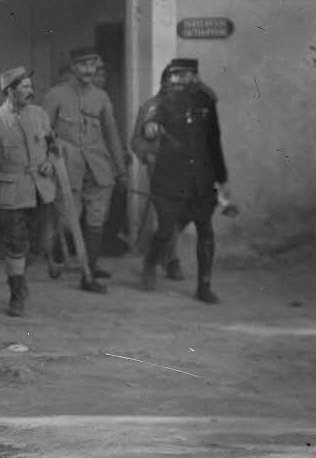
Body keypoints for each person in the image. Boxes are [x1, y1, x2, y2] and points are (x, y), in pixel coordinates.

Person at [131, 58, 229, 303]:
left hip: (199, 179)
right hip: (167, 177)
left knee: (205, 229)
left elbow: (213, 141)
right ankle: (151, 263)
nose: (176, 84)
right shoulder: (155, 106)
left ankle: (203, 286)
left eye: (185, 77)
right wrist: (150, 144)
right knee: (166, 227)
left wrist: (221, 177)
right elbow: (143, 135)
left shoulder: (204, 103)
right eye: (172, 79)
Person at [0, 66, 58, 316]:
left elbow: (53, 145)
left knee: (41, 243)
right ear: (9, 91)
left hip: (41, 192)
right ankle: (16, 295)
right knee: (16, 246)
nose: (30, 91)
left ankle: (19, 277)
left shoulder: (40, 115)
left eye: (31, 86)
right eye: (24, 87)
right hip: (9, 197)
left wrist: (50, 161)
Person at [41, 46, 128, 288]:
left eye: (93, 65)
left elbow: (112, 135)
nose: (89, 70)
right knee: (69, 220)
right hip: (67, 168)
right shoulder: (55, 95)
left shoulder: (101, 97)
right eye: (83, 65)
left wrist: (120, 170)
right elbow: (42, 133)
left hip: (98, 167)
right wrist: (46, 160)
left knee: (97, 217)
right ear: (73, 67)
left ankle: (89, 269)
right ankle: (57, 254)